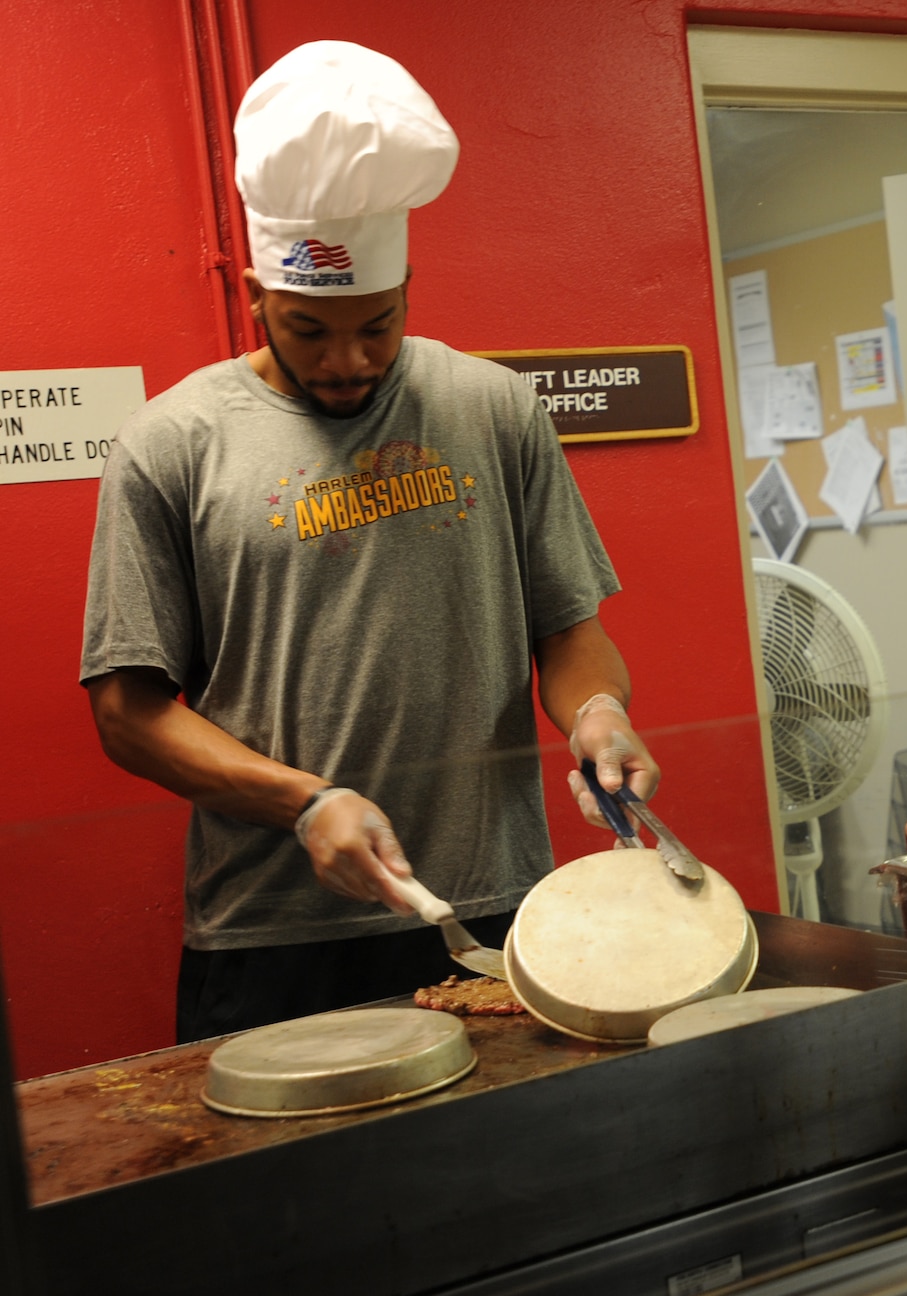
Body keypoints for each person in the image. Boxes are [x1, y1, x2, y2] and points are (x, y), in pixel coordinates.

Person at [80, 42, 655, 1042]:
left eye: (376, 327)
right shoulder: (170, 443)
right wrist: (305, 803)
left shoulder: (492, 407)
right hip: (272, 929)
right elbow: (128, 712)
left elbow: (567, 630)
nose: (348, 362)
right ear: (255, 291)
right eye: (308, 331)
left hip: (494, 906)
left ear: (406, 290)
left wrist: (601, 714)